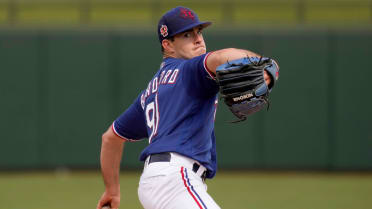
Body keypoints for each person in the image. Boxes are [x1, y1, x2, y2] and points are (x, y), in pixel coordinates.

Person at [97, 6, 274, 209]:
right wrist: (263, 63)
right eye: (187, 34)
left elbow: (110, 138)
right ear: (168, 45)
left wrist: (111, 190)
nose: (198, 39)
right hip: (176, 179)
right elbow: (220, 57)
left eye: (199, 32)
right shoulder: (191, 69)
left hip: (157, 182)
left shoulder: (151, 92)